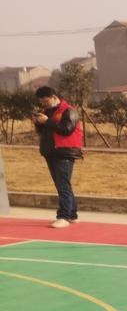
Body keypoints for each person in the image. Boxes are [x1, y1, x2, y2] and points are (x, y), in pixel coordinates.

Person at [32, 85, 83, 229]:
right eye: (42, 102)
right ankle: (72, 215)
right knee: (62, 185)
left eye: (46, 101)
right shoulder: (47, 112)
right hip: (51, 152)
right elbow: (44, 131)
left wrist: (47, 121)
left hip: (65, 152)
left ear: (54, 97)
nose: (44, 104)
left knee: (63, 185)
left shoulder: (69, 111)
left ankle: (63, 216)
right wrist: (38, 123)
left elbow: (66, 130)